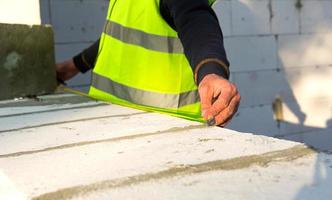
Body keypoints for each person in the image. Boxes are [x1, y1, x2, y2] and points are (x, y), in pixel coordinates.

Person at [56, 0, 241, 127]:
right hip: (115, 119)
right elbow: (120, 36)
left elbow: (195, 19)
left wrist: (211, 70)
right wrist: (71, 67)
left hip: (166, 127)